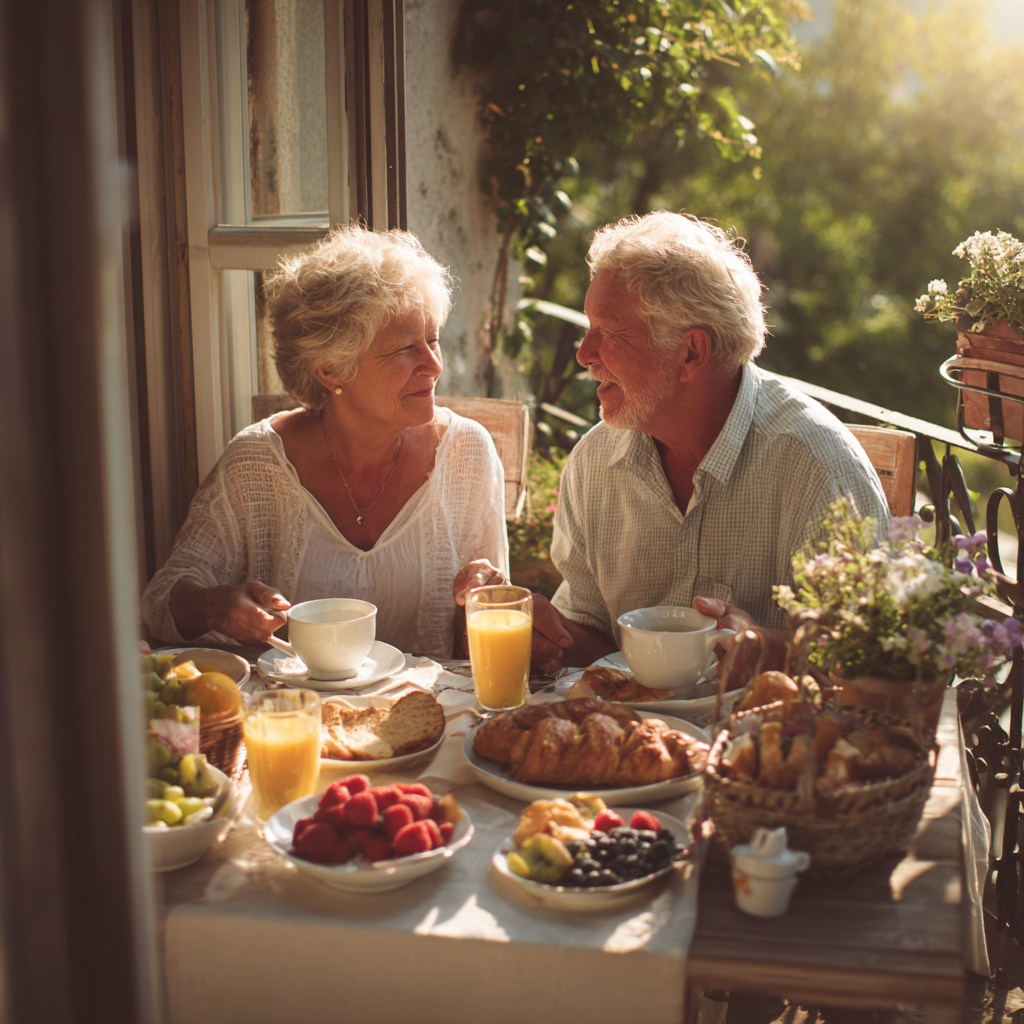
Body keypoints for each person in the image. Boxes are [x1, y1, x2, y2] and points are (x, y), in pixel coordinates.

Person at [528, 211, 889, 675]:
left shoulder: (815, 463)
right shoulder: (594, 462)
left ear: (691, 352)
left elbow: (871, 651)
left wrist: (766, 647)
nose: (583, 354)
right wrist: (545, 635)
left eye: (608, 330)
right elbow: (595, 638)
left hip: (758, 739)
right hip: (636, 739)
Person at [142, 227, 508, 659]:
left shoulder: (467, 454)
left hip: (431, 716)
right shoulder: (257, 464)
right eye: (406, 348)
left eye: (432, 339)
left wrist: (484, 599)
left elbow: (487, 641)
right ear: (331, 371)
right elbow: (162, 598)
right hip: (295, 716)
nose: (432, 364)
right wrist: (214, 607)